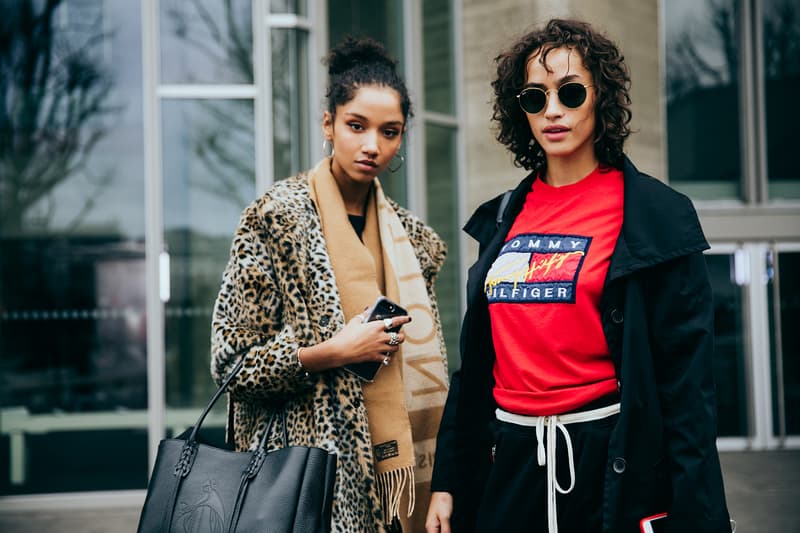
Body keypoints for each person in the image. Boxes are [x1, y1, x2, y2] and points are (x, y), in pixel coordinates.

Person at [425, 18, 731, 533]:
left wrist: (698, 515)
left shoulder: (656, 215)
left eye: (569, 92)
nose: (553, 111)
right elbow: (475, 371)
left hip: (606, 461)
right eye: (534, 98)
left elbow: (687, 390)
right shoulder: (502, 217)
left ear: (601, 98)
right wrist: (449, 481)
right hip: (511, 463)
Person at [211, 36, 450, 533]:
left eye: (390, 132)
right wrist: (332, 351)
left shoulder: (412, 241)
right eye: (356, 126)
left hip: (396, 485)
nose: (372, 146)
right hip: (306, 486)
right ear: (328, 124)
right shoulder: (276, 219)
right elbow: (231, 365)